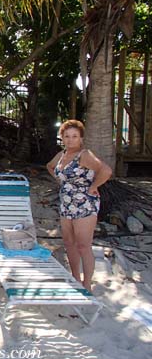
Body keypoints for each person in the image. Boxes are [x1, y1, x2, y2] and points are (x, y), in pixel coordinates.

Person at [47, 120, 112, 291]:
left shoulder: (84, 155)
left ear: (81, 138)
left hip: (84, 203)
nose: (70, 140)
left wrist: (93, 186)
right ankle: (75, 278)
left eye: (74, 136)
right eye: (66, 136)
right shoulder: (62, 155)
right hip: (66, 204)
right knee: (69, 243)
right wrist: (62, 181)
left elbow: (105, 171)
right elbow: (50, 166)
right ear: (62, 138)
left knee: (83, 245)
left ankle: (87, 284)